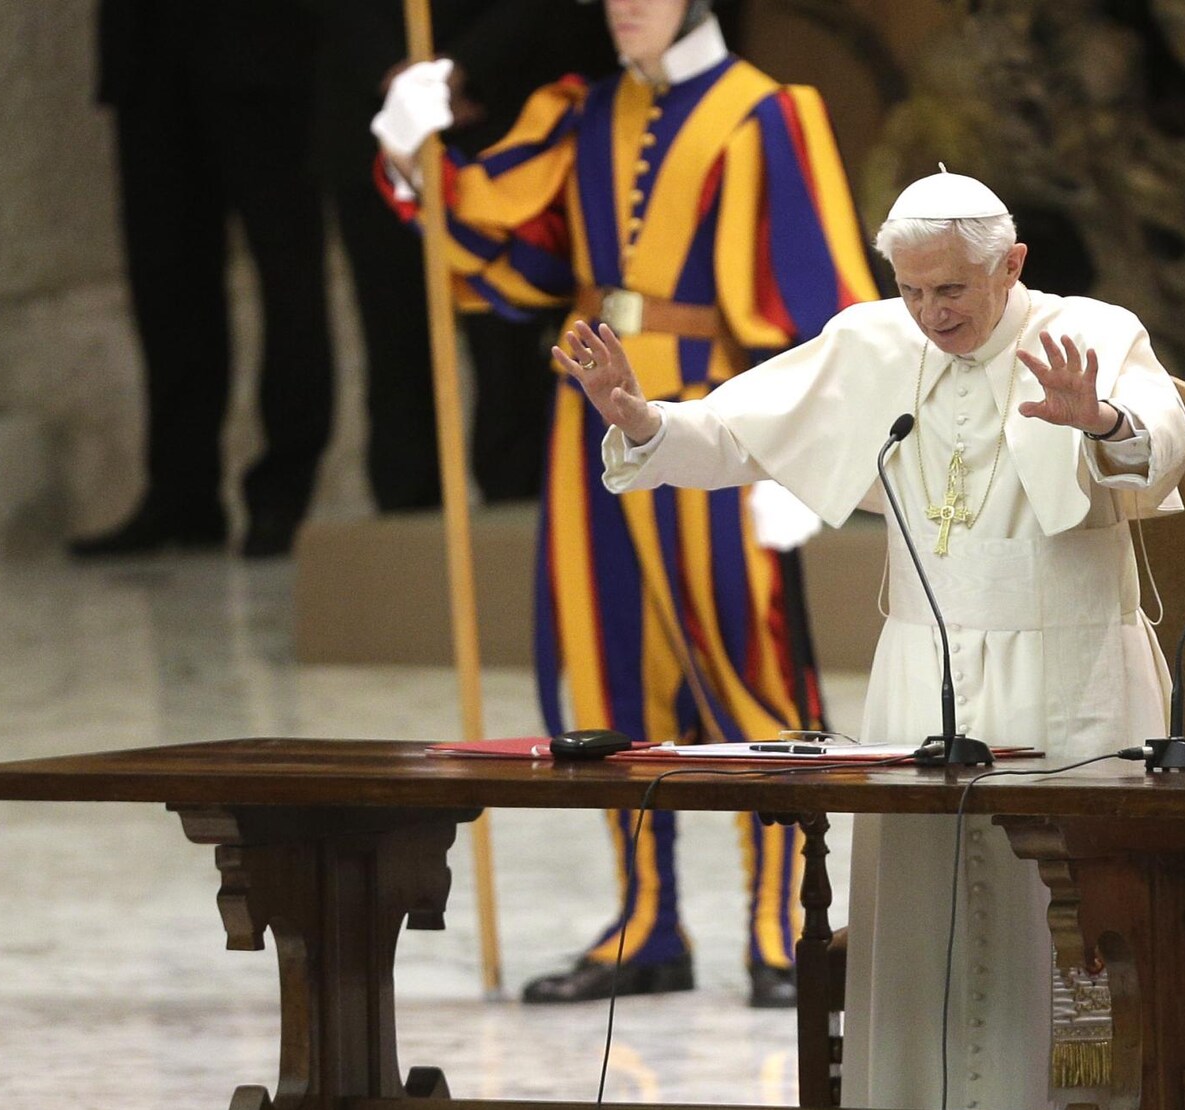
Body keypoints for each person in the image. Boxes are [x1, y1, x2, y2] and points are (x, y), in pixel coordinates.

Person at [558, 168, 1185, 1110]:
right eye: (912, 289)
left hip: (1074, 680)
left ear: (1012, 264)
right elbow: (739, 432)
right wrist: (645, 421)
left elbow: (1167, 441)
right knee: (923, 922)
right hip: (921, 674)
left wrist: (1099, 420)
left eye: (953, 290)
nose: (930, 314)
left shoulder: (1092, 332)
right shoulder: (875, 342)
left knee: (1056, 934)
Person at [373, 0, 875, 1009]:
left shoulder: (770, 112)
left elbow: (828, 304)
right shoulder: (578, 112)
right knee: (603, 668)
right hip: (590, 422)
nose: (625, 7)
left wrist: (814, 464)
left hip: (723, 418)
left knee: (748, 664)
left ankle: (783, 922)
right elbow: (508, 254)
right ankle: (644, 921)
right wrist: (408, 152)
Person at [318, 0, 614, 513]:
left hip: (500, 107)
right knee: (393, 338)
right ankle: (406, 523)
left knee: (507, 343)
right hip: (369, 114)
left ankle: (514, 509)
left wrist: (459, 69)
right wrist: (395, 81)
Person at [74, 0, 334, 559]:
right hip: (149, 47)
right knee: (165, 277)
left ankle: (284, 490)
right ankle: (181, 491)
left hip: (263, 44)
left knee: (287, 273)